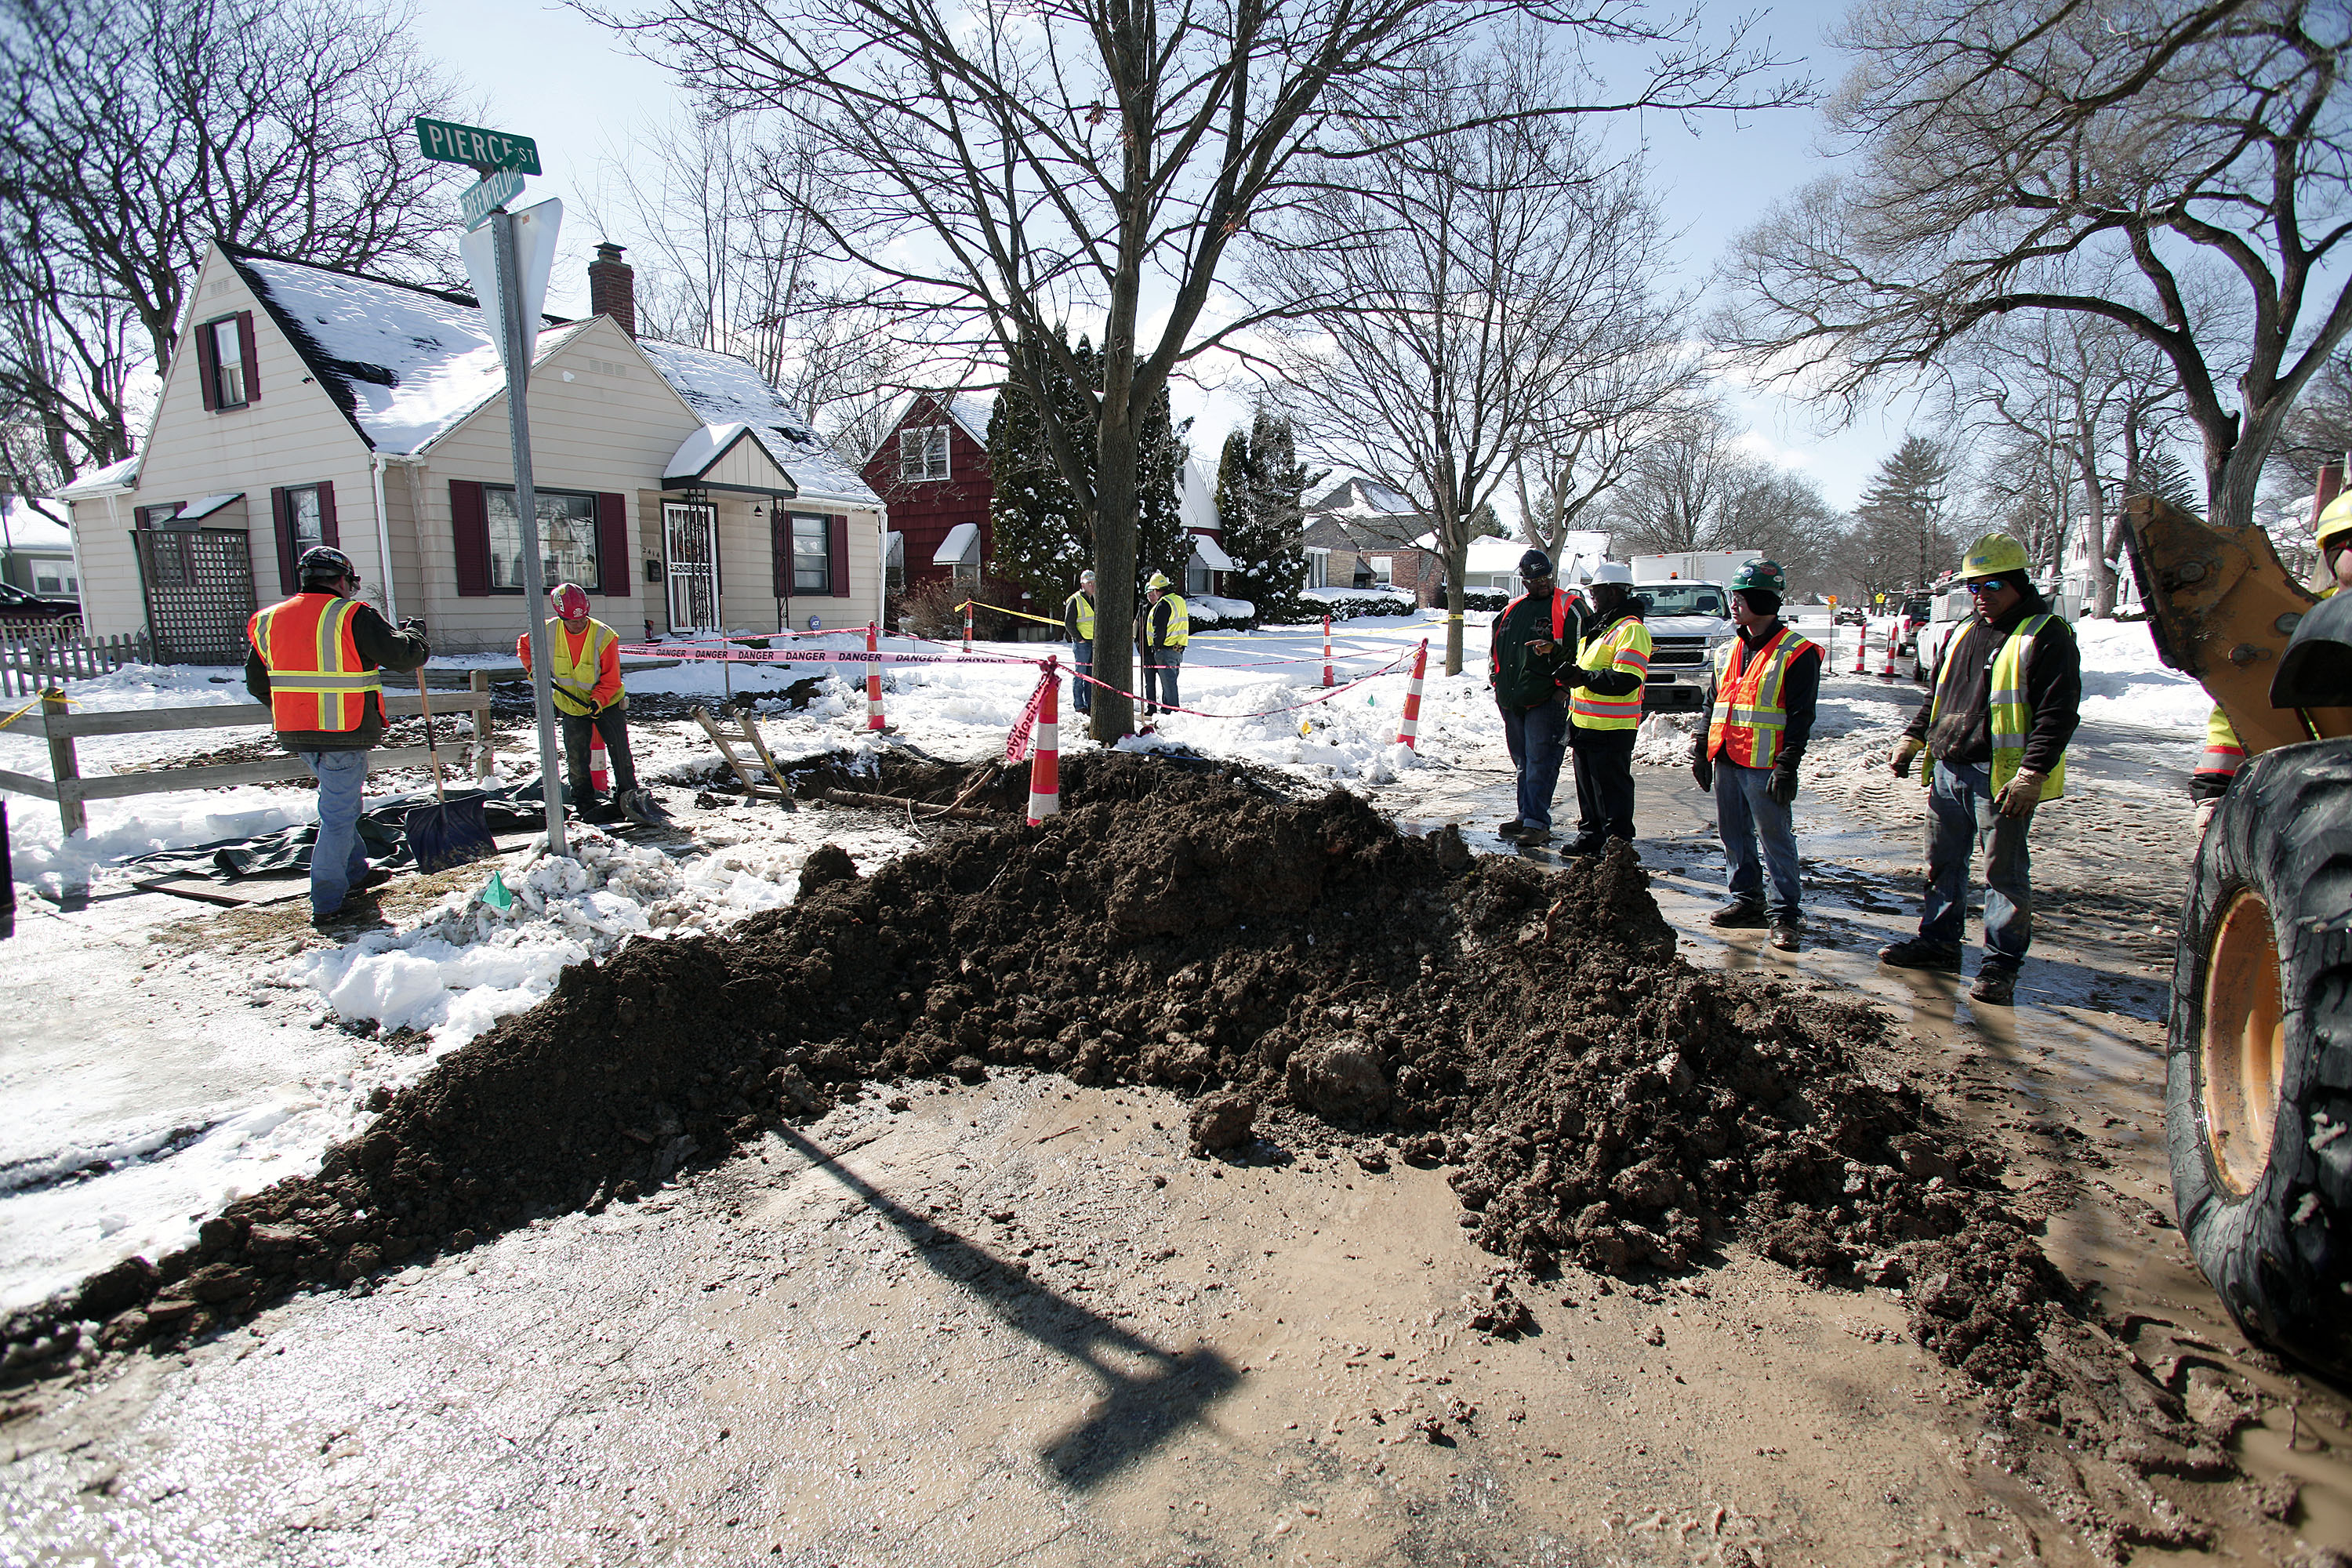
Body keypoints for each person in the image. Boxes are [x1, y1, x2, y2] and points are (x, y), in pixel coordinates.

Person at [1882, 532, 2082, 1007]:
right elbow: (1938, 696)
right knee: (1942, 864)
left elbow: (2059, 712)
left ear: (2017, 583)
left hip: (2000, 778)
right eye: (1974, 587)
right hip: (1949, 769)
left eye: (1991, 586)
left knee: (2003, 874)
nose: (1981, 596)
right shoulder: (1963, 631)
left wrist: (2032, 772)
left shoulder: (2044, 634)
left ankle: (2000, 964)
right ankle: (1939, 942)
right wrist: (1914, 737)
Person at [245, 544, 430, 929]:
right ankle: (327, 900)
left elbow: (257, 682)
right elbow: (403, 657)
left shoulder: (267, 620)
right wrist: (415, 635)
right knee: (339, 816)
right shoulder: (351, 616)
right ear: (343, 580)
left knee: (340, 807)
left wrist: (295, 710)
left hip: (297, 732)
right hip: (342, 731)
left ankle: (356, 872)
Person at [2190, 491, 2352, 829]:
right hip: (2306, 797)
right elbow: (2245, 698)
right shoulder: (2295, 621)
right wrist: (2215, 787)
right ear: (2332, 551)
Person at [1692, 560, 1822, 952]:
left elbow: (1801, 717)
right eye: (1734, 596)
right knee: (1734, 834)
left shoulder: (1797, 653)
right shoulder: (1729, 649)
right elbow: (1714, 702)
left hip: (1765, 764)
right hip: (1728, 756)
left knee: (1774, 837)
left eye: (1742, 597)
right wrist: (1701, 746)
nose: (1735, 604)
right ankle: (1747, 899)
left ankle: (1785, 914)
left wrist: (1788, 765)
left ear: (1763, 600)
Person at [518, 582, 644, 822]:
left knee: (620, 753)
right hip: (570, 705)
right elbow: (525, 646)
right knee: (576, 756)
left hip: (607, 704)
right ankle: (584, 803)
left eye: (583, 618)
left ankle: (629, 797)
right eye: (573, 621)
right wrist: (534, 669)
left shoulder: (603, 635)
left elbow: (611, 677)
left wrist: (599, 699)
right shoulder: (546, 632)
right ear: (560, 616)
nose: (579, 623)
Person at [1488, 548, 1581, 844]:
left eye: (1546, 577)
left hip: (1546, 698)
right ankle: (1524, 814)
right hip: (1513, 699)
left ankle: (1537, 821)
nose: (1542, 583)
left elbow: (1583, 653)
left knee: (1542, 759)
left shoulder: (1570, 607)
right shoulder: (1512, 609)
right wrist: (1496, 679)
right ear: (1524, 580)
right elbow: (1496, 648)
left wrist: (1563, 689)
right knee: (1523, 761)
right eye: (1535, 579)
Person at [1563, 561, 1653, 855]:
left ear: (1614, 593)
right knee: (1588, 789)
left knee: (1611, 790)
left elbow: (1625, 679)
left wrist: (1581, 677)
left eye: (1596, 593)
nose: (1593, 600)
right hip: (1585, 723)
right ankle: (1591, 836)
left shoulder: (1631, 630)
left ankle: (1617, 844)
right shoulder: (1602, 629)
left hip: (1612, 727)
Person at [1137, 570, 1189, 720]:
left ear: (1156, 590)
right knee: (1170, 683)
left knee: (1169, 685)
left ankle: (1172, 714)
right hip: (1178, 649)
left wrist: (1156, 647)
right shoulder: (1179, 601)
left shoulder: (1163, 604)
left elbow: (1160, 629)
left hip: (1166, 650)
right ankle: (1168, 713)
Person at [1062, 568, 1097, 715]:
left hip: (1094, 643)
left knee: (1091, 676)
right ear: (1083, 585)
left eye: (1094, 583)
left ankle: (1090, 704)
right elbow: (1069, 623)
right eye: (1089, 583)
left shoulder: (1095, 599)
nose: (1092, 586)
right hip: (1083, 644)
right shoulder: (1075, 599)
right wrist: (1079, 639)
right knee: (1080, 675)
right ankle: (1079, 704)